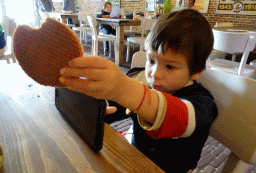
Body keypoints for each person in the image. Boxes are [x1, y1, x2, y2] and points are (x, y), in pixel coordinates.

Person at [59, 9, 218, 173]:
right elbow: (118, 104)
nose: (155, 74)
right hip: (133, 158)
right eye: (151, 60)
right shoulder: (144, 82)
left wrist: (123, 89)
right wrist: (100, 107)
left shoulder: (202, 104)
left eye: (170, 66)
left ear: (196, 71)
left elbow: (182, 118)